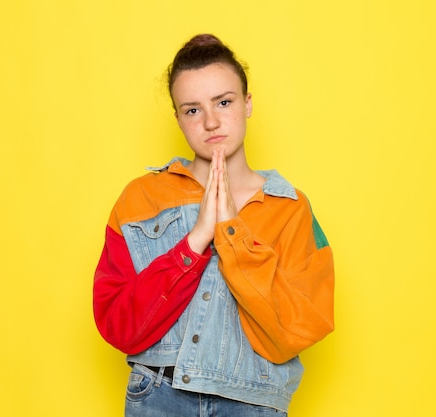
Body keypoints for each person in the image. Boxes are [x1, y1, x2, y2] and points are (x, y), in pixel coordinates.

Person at [93, 33, 335, 416]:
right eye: (192, 110)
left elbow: (295, 332)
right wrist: (194, 242)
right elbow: (118, 325)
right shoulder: (140, 198)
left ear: (247, 103)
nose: (210, 121)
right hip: (159, 397)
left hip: (253, 403)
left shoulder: (290, 208)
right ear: (177, 118)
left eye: (224, 102)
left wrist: (231, 235)